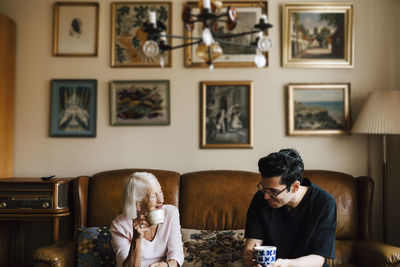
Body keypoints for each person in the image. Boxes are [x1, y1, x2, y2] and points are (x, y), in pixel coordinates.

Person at [242, 149, 336, 267]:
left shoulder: (324, 203)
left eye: (273, 191)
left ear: (295, 187)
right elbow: (252, 245)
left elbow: (318, 259)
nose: (266, 196)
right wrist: (249, 256)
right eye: (264, 188)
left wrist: (286, 264)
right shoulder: (260, 199)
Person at [111, 172, 184, 267]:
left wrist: (167, 265)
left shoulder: (171, 212)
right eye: (153, 196)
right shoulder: (120, 225)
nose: (161, 200)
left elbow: (176, 252)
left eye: (160, 191)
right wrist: (136, 239)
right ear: (137, 204)